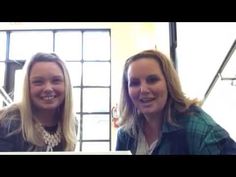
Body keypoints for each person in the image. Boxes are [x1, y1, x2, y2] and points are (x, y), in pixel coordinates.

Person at [116, 49, 236, 155]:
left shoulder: (201, 131)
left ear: (169, 83)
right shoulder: (126, 134)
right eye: (135, 83)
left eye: (152, 80)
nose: (143, 90)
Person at [0, 52, 77, 151]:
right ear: (26, 86)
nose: (48, 88)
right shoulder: (6, 123)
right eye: (38, 82)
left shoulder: (71, 122)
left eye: (56, 80)